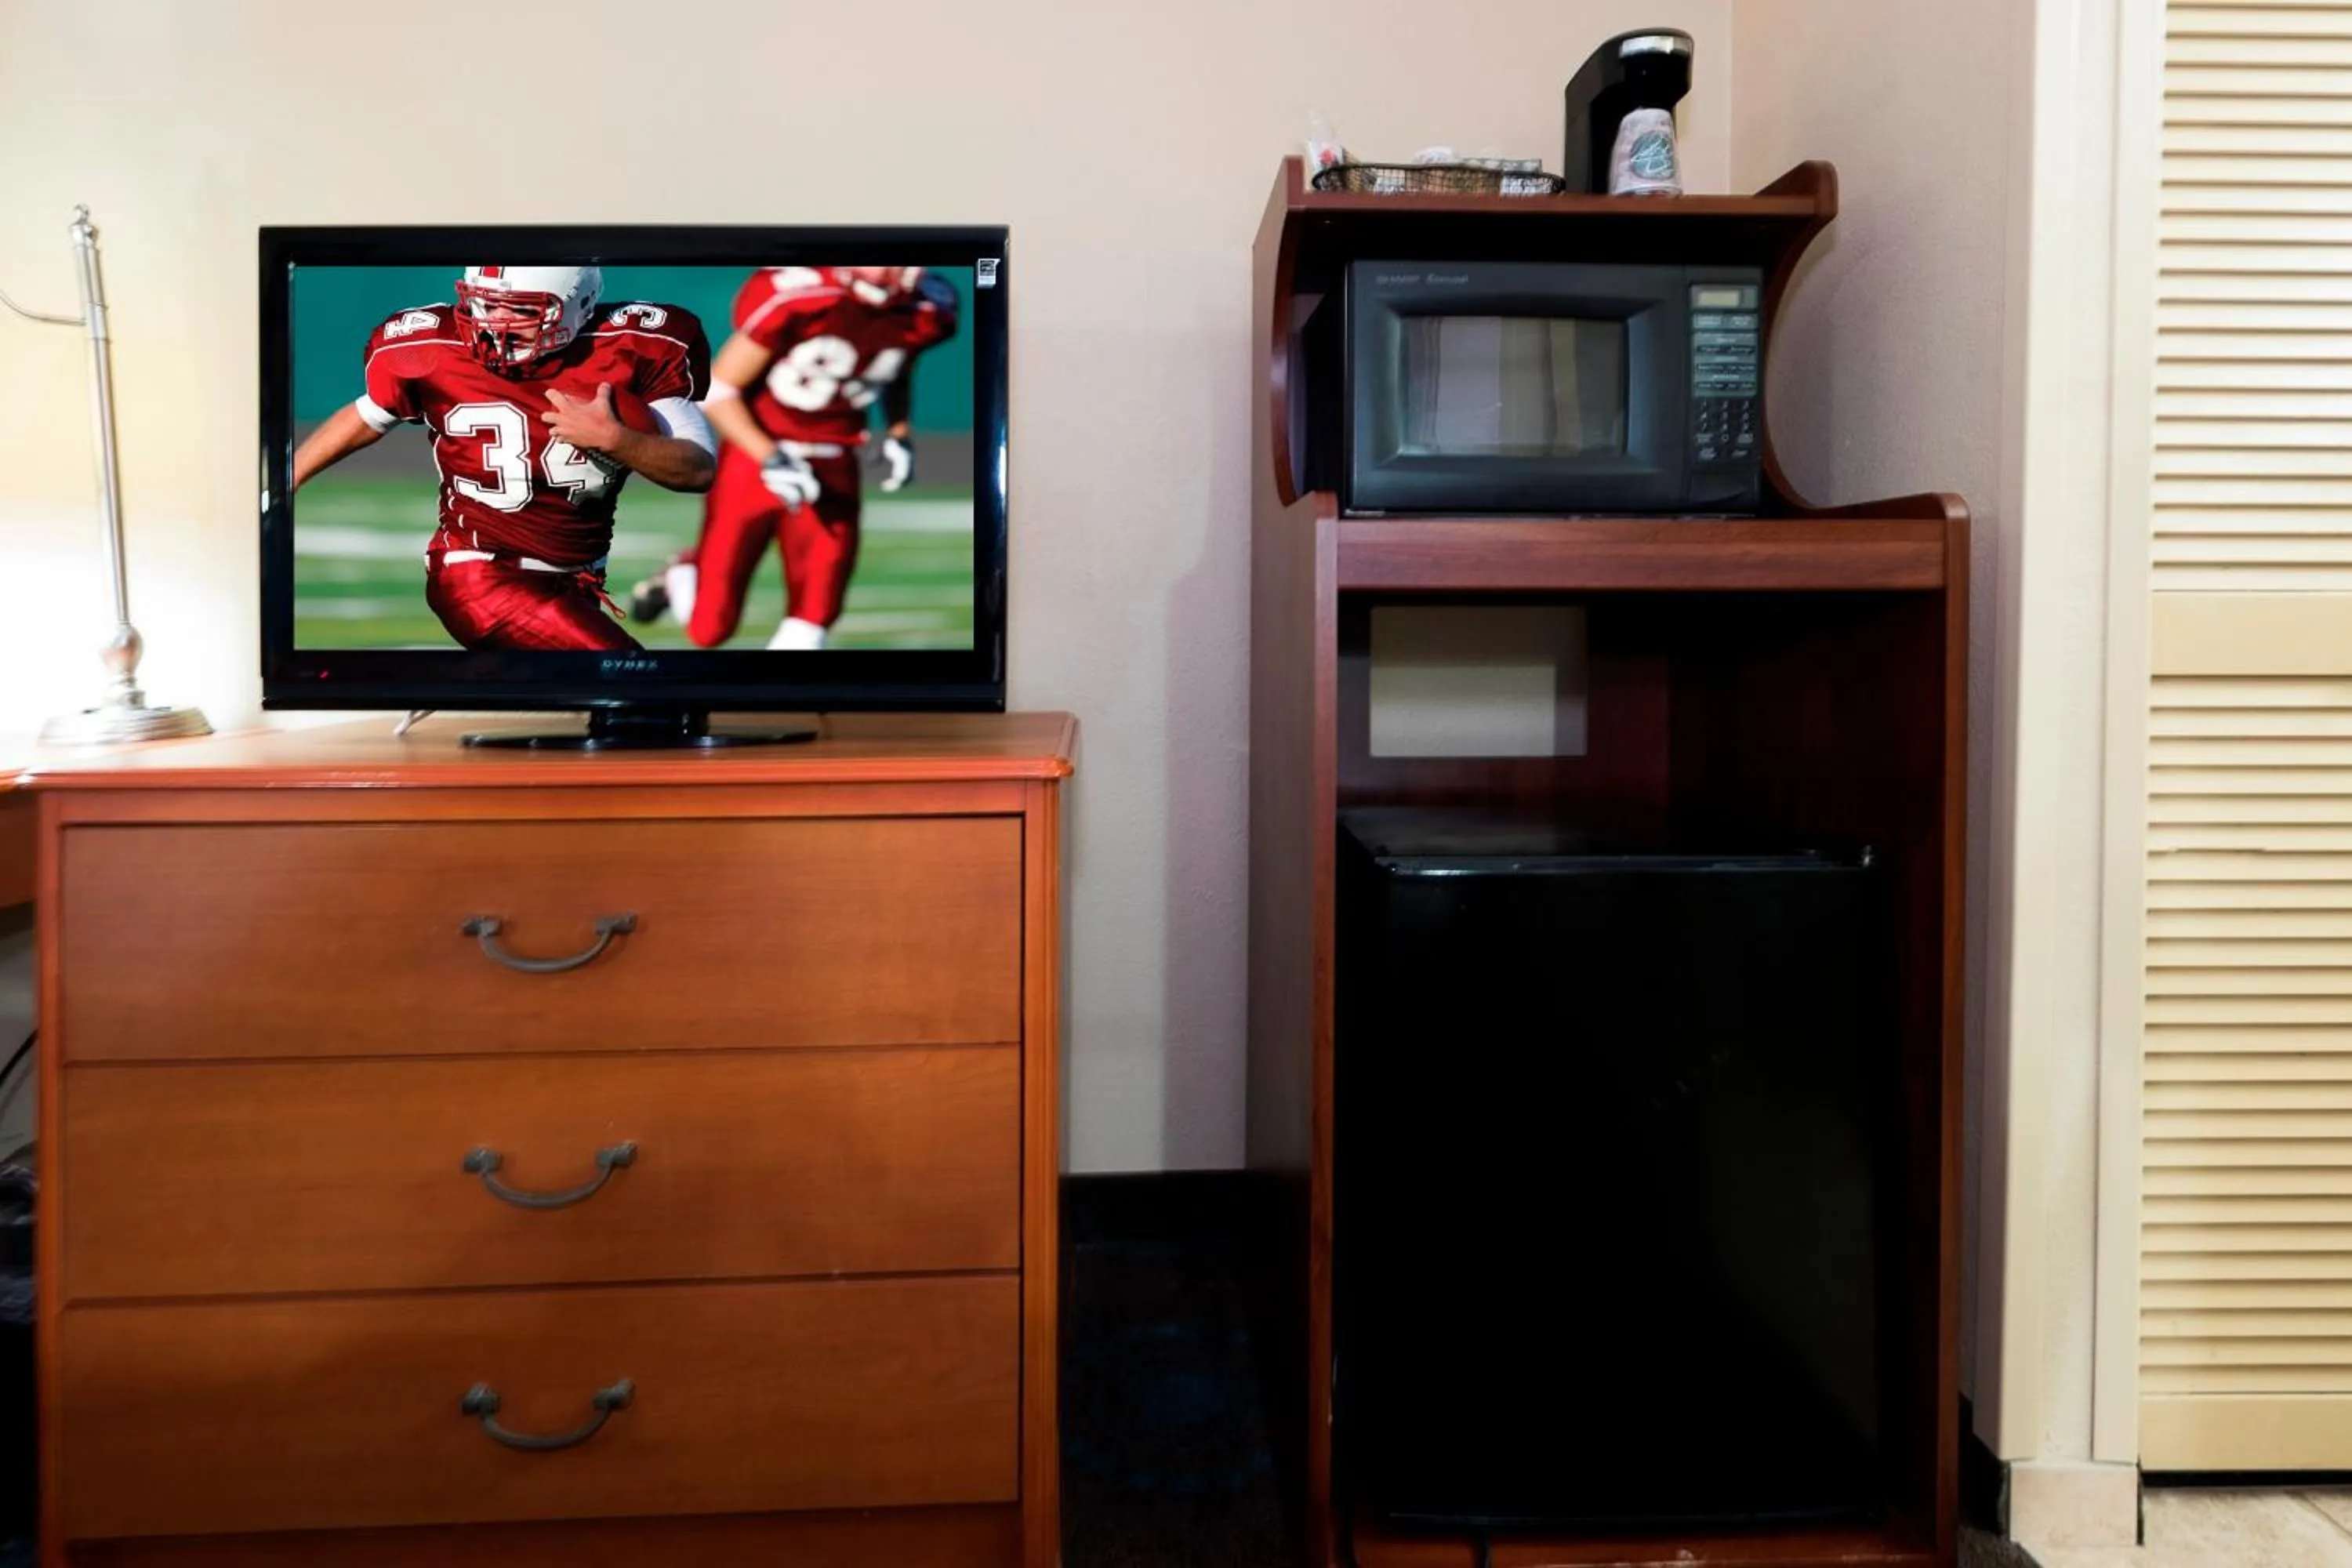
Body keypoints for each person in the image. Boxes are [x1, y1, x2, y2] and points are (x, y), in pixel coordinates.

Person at [293, 265, 715, 651]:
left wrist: (617, 440)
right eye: (487, 304)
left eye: (521, 310)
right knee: (631, 679)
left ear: (577, 307)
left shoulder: (634, 347)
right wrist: (282, 483)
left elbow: (698, 469)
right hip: (480, 574)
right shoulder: (432, 348)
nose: (495, 323)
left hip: (576, 580)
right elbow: (369, 415)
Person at [630, 265, 957, 649]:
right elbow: (718, 389)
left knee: (815, 619)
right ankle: (683, 574)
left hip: (835, 462)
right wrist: (771, 457)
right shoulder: (800, 295)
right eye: (893, 258)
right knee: (710, 631)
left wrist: (899, 432)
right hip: (756, 459)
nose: (910, 269)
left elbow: (896, 366)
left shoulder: (928, 306)